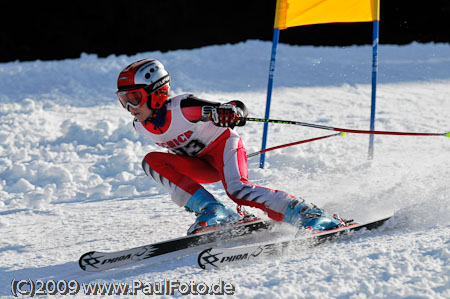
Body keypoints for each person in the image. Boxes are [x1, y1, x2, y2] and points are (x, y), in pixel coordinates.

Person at [116, 59, 344, 235]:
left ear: (158, 93)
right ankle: (213, 211)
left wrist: (230, 112)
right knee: (152, 162)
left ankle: (309, 214)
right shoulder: (141, 126)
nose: (129, 106)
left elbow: (235, 106)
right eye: (123, 100)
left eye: (134, 98)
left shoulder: (184, 108)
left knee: (238, 190)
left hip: (223, 148)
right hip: (201, 165)